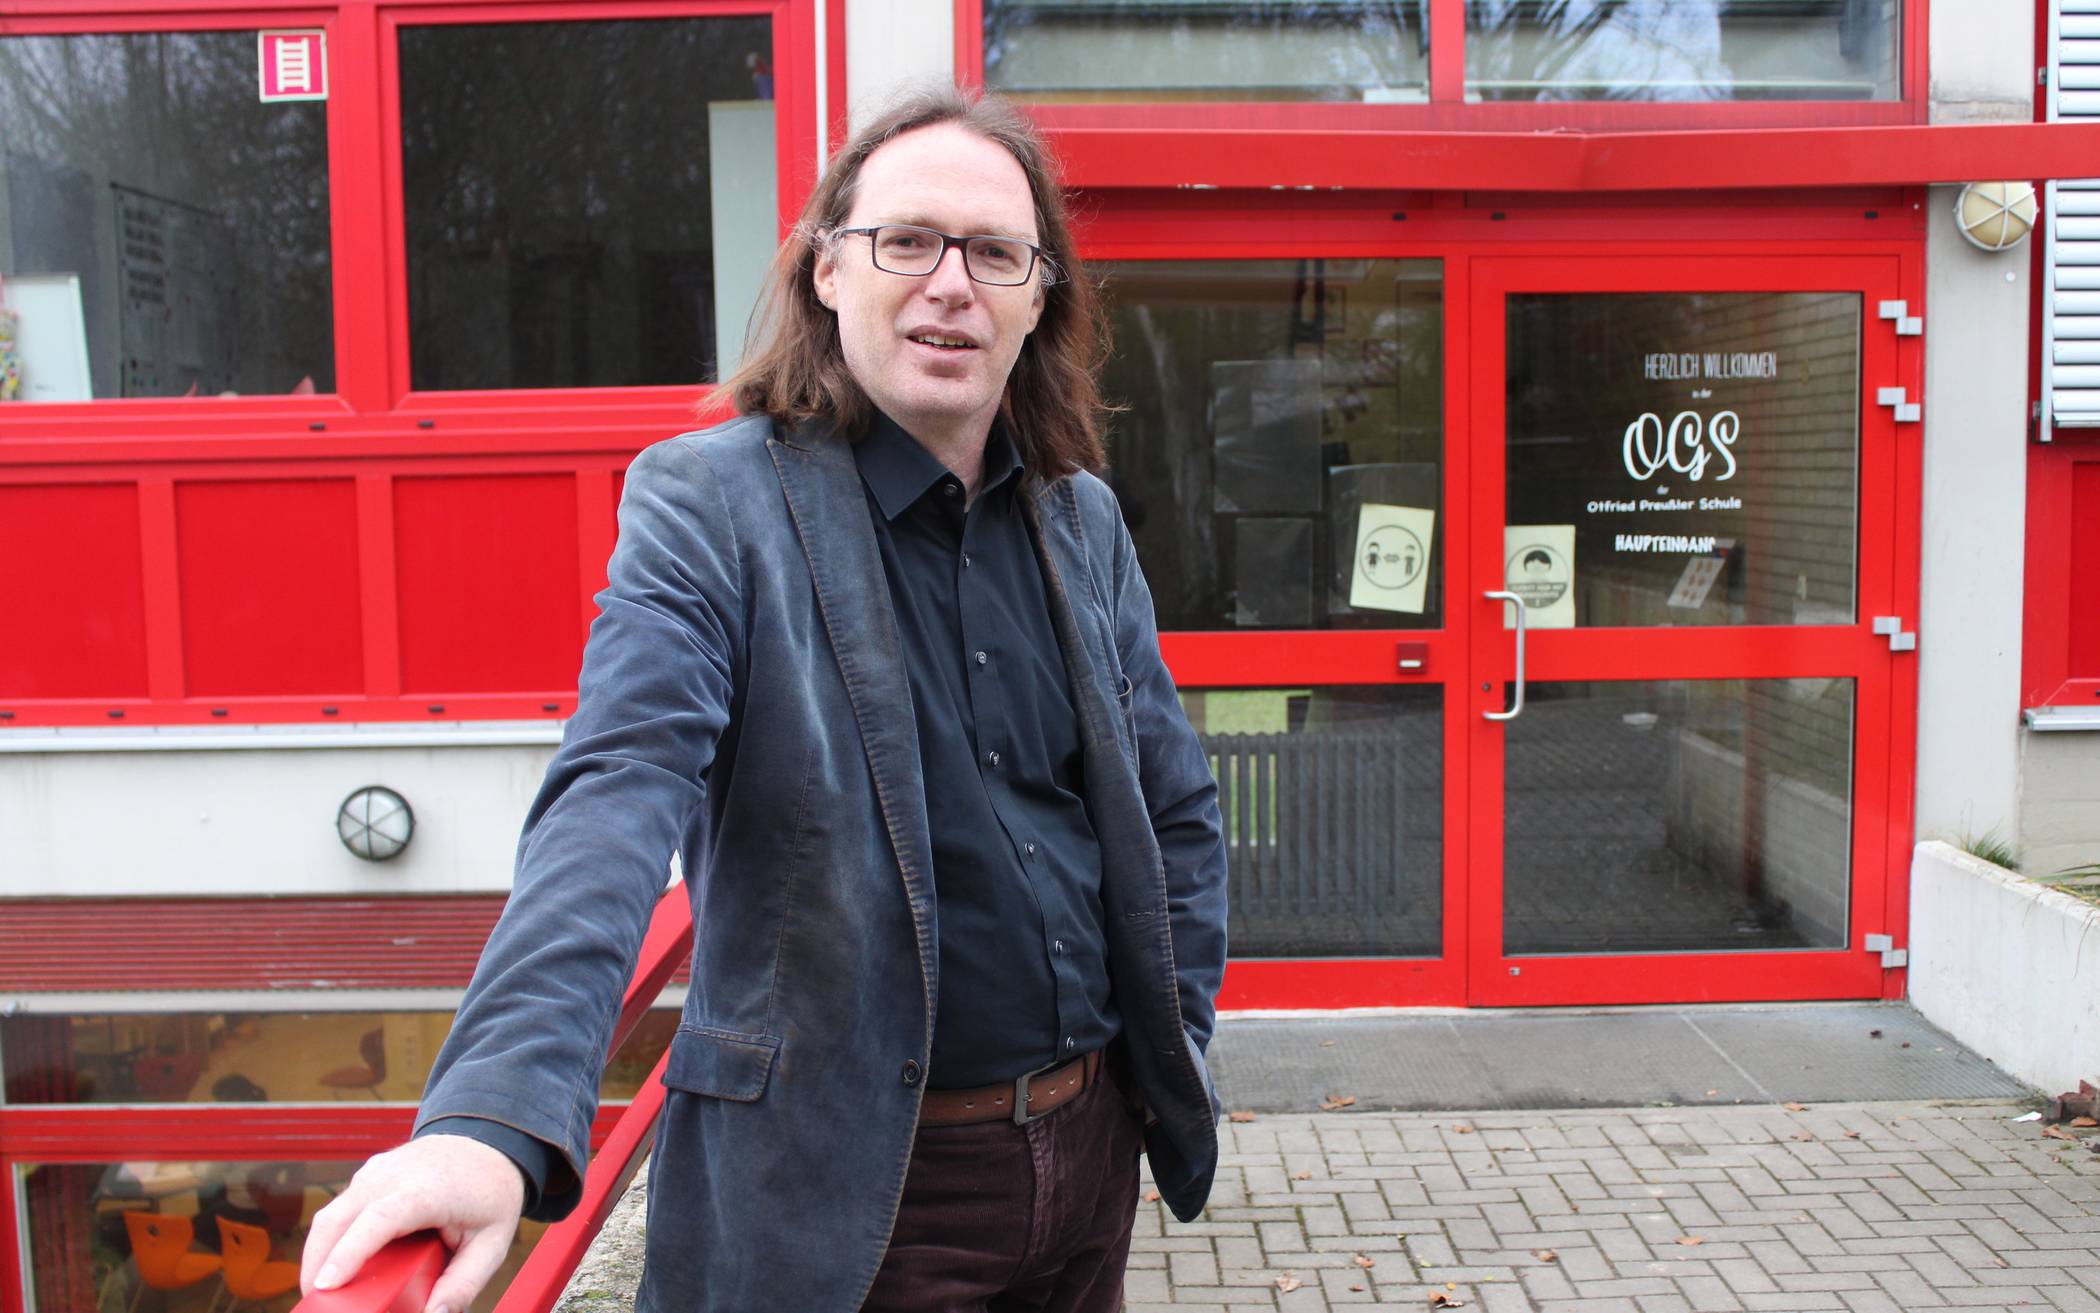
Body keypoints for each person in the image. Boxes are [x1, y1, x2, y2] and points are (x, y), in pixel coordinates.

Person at [297, 86, 1228, 1313]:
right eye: (908, 241)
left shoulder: (1080, 516)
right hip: (850, 1200)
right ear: (828, 269)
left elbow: (1170, 804)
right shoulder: (709, 506)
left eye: (996, 252)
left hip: (1086, 1160)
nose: (951, 281)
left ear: (1038, 294)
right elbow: (613, 795)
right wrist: (488, 1118)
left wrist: (1174, 1034)